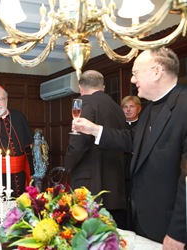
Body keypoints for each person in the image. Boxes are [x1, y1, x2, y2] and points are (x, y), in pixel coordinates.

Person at [72, 47, 186, 249]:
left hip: (171, 224)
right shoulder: (150, 107)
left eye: (135, 73)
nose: (133, 80)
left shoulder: (183, 105)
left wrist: (179, 231)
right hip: (142, 217)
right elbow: (132, 139)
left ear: (156, 71)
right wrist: (95, 129)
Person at [64, 70, 127, 229]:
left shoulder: (83, 102)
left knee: (88, 235)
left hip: (91, 183)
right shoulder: (116, 107)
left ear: (81, 87)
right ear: (103, 87)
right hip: (115, 181)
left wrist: (68, 165)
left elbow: (79, 142)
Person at [121, 95, 142, 229]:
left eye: (131, 106)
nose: (128, 110)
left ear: (139, 109)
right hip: (121, 171)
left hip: (137, 172)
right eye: (125, 107)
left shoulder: (143, 126)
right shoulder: (118, 126)